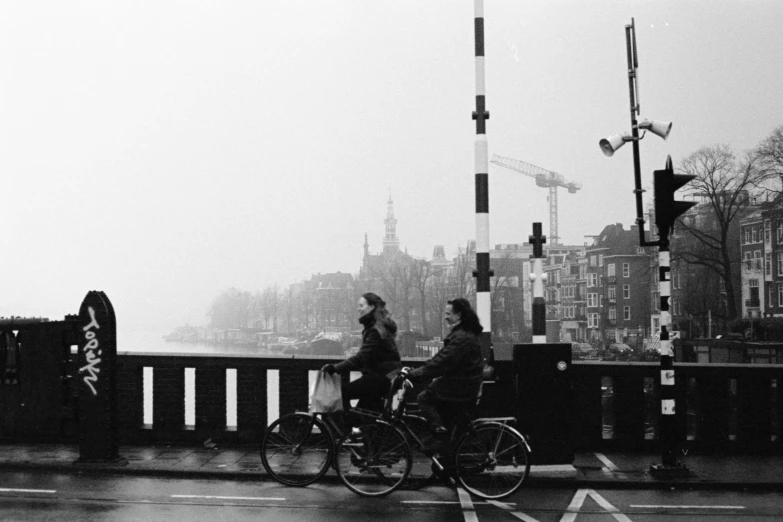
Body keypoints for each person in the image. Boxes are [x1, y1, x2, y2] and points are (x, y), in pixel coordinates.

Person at [408, 298, 484, 451]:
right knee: (446, 415)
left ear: (459, 315)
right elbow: (441, 358)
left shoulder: (461, 337)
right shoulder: (463, 334)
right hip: (465, 384)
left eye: (448, 313)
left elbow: (441, 362)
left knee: (424, 398)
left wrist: (416, 373)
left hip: (460, 386)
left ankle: (439, 435)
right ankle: (445, 460)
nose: (445, 316)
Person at [321, 292, 401, 431]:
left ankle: (346, 433)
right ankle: (366, 444)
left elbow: (361, 357)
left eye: (361, 305)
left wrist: (335, 368)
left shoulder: (375, 330)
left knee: (341, 393)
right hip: (386, 377)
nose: (358, 308)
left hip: (378, 378)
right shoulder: (378, 327)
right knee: (367, 416)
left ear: (371, 307)